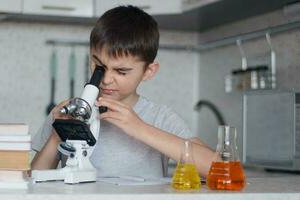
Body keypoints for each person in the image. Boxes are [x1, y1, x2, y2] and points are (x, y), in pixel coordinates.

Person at [31, 5, 215, 178]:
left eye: (121, 71)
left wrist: (139, 128)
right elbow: (33, 180)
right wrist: (57, 135)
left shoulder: (159, 117)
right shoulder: (70, 113)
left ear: (148, 72)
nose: (106, 79)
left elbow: (219, 167)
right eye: (99, 66)